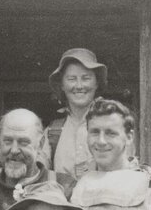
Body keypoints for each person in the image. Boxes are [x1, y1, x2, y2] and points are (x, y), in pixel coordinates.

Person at [44, 48, 107, 179]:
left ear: (96, 83)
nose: (79, 86)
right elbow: (38, 175)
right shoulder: (52, 131)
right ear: (62, 85)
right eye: (72, 79)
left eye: (86, 78)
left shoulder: (113, 124)